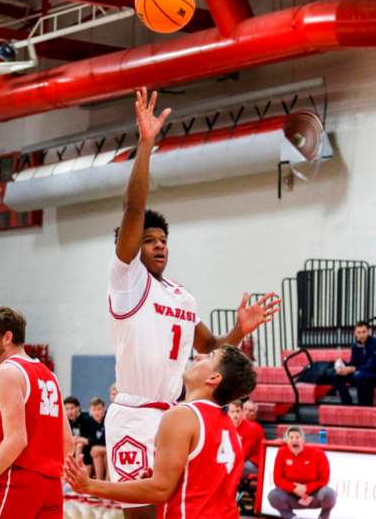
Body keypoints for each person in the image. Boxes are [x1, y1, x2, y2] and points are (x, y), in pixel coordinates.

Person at [106, 88, 280, 519]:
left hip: (176, 415)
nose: (159, 247)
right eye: (149, 241)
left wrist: (240, 329)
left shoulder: (182, 295)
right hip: (134, 414)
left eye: (163, 241)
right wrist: (146, 145)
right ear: (132, 246)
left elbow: (209, 348)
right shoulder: (128, 282)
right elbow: (134, 206)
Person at [65, 346, 257, 519]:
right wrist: (165, 474)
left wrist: (90, 485)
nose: (199, 356)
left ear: (213, 378)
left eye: (210, 356)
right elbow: (202, 483)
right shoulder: (230, 426)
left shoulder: (182, 415)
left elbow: (159, 490)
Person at [0, 306, 72, 517]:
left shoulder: (6, 372)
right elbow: (67, 441)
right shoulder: (50, 376)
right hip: (52, 487)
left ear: (7, 337)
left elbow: (16, 440)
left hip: (17, 483)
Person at [267, 427, 336, 519]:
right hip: (292, 496)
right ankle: (290, 517)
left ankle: (324, 516)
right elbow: (277, 479)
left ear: (303, 440)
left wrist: (307, 488)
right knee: (273, 495)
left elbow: (324, 479)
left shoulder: (318, 454)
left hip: (313, 496)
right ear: (287, 441)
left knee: (329, 493)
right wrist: (294, 488)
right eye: (291, 437)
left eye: (297, 437)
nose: (294, 440)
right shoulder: (282, 452)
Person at [331, 322, 376, 406]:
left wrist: (352, 369)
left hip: (374, 374)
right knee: (338, 375)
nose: (361, 335)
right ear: (355, 333)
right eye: (359, 332)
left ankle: (364, 405)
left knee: (359, 375)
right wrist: (343, 365)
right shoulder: (355, 346)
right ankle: (347, 404)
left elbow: (372, 366)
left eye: (364, 332)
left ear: (369, 331)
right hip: (359, 372)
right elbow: (353, 363)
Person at [228, 399, 265, 475]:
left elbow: (243, 454)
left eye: (237, 411)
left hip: (254, 463)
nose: (247, 412)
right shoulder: (232, 425)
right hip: (243, 460)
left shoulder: (253, 428)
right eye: (245, 409)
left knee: (229, 467)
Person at [79, 397, 107, 480]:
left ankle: (103, 481)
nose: (97, 412)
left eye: (99, 409)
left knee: (95, 449)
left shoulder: (107, 420)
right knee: (83, 446)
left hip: (110, 448)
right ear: (90, 412)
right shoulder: (89, 422)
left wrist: (88, 441)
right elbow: (88, 443)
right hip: (97, 451)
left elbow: (105, 441)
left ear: (104, 409)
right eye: (94, 410)